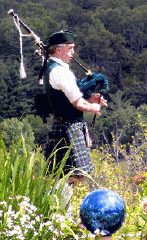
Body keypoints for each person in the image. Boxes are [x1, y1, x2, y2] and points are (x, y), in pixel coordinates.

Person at [43, 30, 107, 187]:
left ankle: (63, 207)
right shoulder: (59, 71)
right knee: (71, 177)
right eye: (70, 48)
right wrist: (94, 107)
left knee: (67, 176)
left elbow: (68, 96)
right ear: (59, 49)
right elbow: (77, 103)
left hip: (65, 125)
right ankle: (61, 207)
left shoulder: (54, 68)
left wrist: (91, 98)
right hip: (68, 128)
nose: (73, 52)